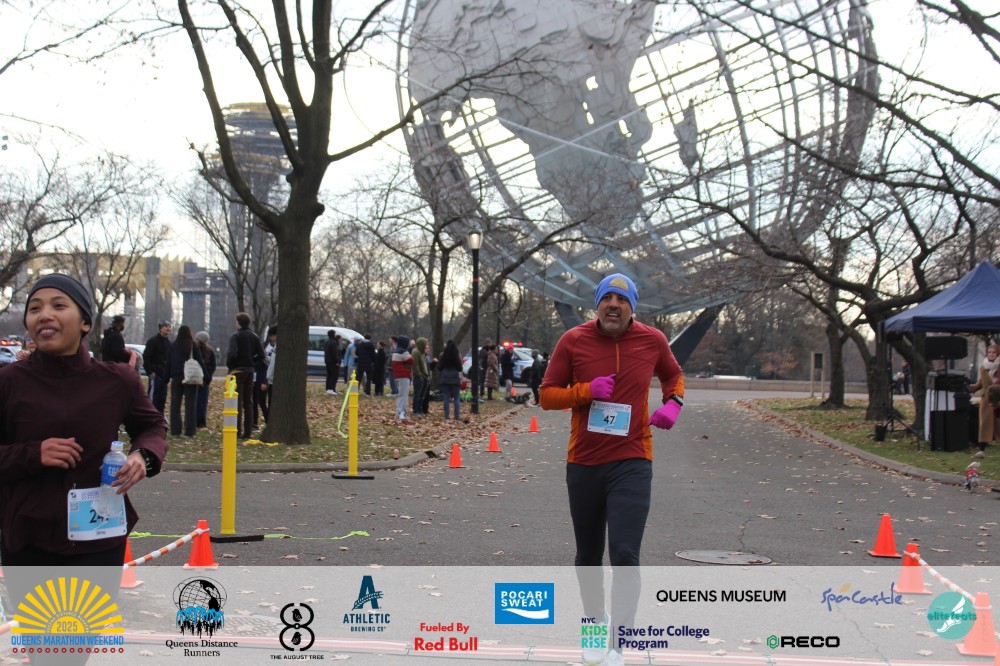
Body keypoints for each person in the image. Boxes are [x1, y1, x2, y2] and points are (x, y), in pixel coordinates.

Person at [0, 274, 167, 665]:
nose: (45, 315)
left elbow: (152, 426)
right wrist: (32, 454)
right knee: (47, 653)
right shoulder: (8, 382)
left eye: (59, 306)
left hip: (98, 539)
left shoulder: (117, 380)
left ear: (85, 322)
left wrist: (142, 457)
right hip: (28, 537)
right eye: (35, 308)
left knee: (73, 653)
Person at [540, 273, 684, 666]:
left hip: (632, 460)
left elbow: (673, 374)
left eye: (622, 300)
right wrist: (586, 391)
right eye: (608, 298)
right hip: (584, 463)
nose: (614, 305)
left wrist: (673, 403)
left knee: (624, 553)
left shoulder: (653, 340)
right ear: (598, 304)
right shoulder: (573, 340)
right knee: (588, 555)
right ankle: (593, 625)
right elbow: (547, 395)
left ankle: (619, 644)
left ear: (632, 307)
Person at [226, 312, 266, 439]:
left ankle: (236, 430)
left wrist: (231, 365)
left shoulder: (235, 337)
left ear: (239, 322)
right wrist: (252, 362)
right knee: (248, 401)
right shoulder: (254, 336)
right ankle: (248, 431)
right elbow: (262, 355)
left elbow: (233, 354)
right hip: (250, 371)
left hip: (238, 371)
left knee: (237, 401)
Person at [167, 325, 204, 438]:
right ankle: (190, 431)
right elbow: (200, 361)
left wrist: (166, 377)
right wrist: (206, 377)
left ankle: (175, 431)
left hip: (176, 377)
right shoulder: (192, 345)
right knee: (190, 405)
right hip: (190, 377)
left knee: (175, 404)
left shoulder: (173, 345)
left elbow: (168, 362)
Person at [970, 343, 1000, 458]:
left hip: (998, 398)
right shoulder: (983, 366)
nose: (991, 354)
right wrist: (972, 388)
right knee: (984, 425)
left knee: (998, 423)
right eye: (989, 352)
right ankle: (981, 450)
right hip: (987, 399)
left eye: (994, 352)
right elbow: (981, 383)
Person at [143, 320, 172, 414]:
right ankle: (150, 416)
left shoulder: (169, 343)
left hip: (164, 375)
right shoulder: (152, 341)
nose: (168, 328)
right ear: (160, 328)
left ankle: (159, 416)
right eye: (166, 326)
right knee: (153, 398)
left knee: (162, 398)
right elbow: (146, 357)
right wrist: (150, 372)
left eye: (169, 326)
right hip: (155, 374)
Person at [255, 325, 277, 428]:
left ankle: (270, 423)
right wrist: (264, 358)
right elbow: (271, 362)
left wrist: (266, 379)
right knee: (268, 403)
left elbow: (272, 365)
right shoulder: (274, 347)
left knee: (270, 403)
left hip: (271, 380)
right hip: (270, 380)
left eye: (271, 336)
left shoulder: (277, 348)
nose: (271, 339)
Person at [194, 331, 216, 429]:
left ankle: (199, 422)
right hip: (201, 380)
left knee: (200, 402)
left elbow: (212, 366)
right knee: (200, 402)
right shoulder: (209, 352)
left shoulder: (207, 352)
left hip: (200, 380)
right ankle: (199, 422)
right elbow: (212, 367)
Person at [438, 340, 464, 421]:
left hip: (445, 378)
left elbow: (439, 367)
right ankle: (457, 415)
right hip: (455, 378)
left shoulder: (443, 355)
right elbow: (460, 368)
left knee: (446, 397)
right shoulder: (457, 355)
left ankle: (447, 415)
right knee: (456, 398)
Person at [391, 336, 414, 424]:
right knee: (404, 396)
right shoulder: (403, 352)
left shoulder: (396, 351)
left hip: (398, 376)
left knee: (401, 395)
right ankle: (402, 414)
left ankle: (399, 412)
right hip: (404, 375)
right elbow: (411, 361)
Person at [324, 330, 341, 395]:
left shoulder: (327, 342)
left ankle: (328, 389)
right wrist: (337, 361)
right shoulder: (333, 342)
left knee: (329, 375)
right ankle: (331, 388)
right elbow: (334, 353)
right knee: (334, 375)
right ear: (334, 334)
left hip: (327, 361)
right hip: (333, 362)